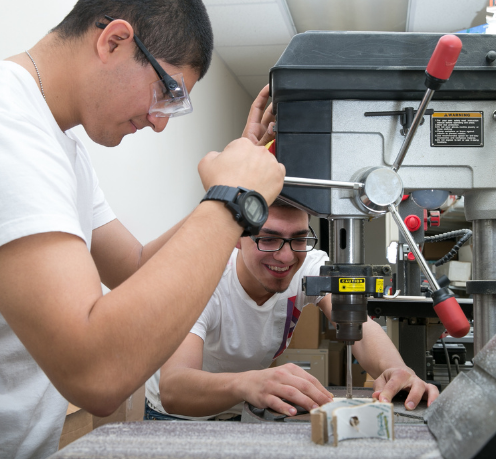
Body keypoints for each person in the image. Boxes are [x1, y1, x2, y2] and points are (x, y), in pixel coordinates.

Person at [0, 1, 284, 457]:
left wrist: (231, 186)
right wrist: (233, 202)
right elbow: (96, 374)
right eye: (166, 92)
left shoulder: (60, 144)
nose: (158, 123)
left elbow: (133, 267)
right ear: (113, 41)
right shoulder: (10, 127)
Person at [145, 201, 439, 421]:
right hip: (178, 416)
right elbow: (174, 389)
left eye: (298, 238)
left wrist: (395, 370)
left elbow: (359, 327)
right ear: (236, 237)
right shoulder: (203, 279)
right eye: (268, 238)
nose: (285, 256)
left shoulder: (309, 264)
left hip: (245, 411)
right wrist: (246, 381)